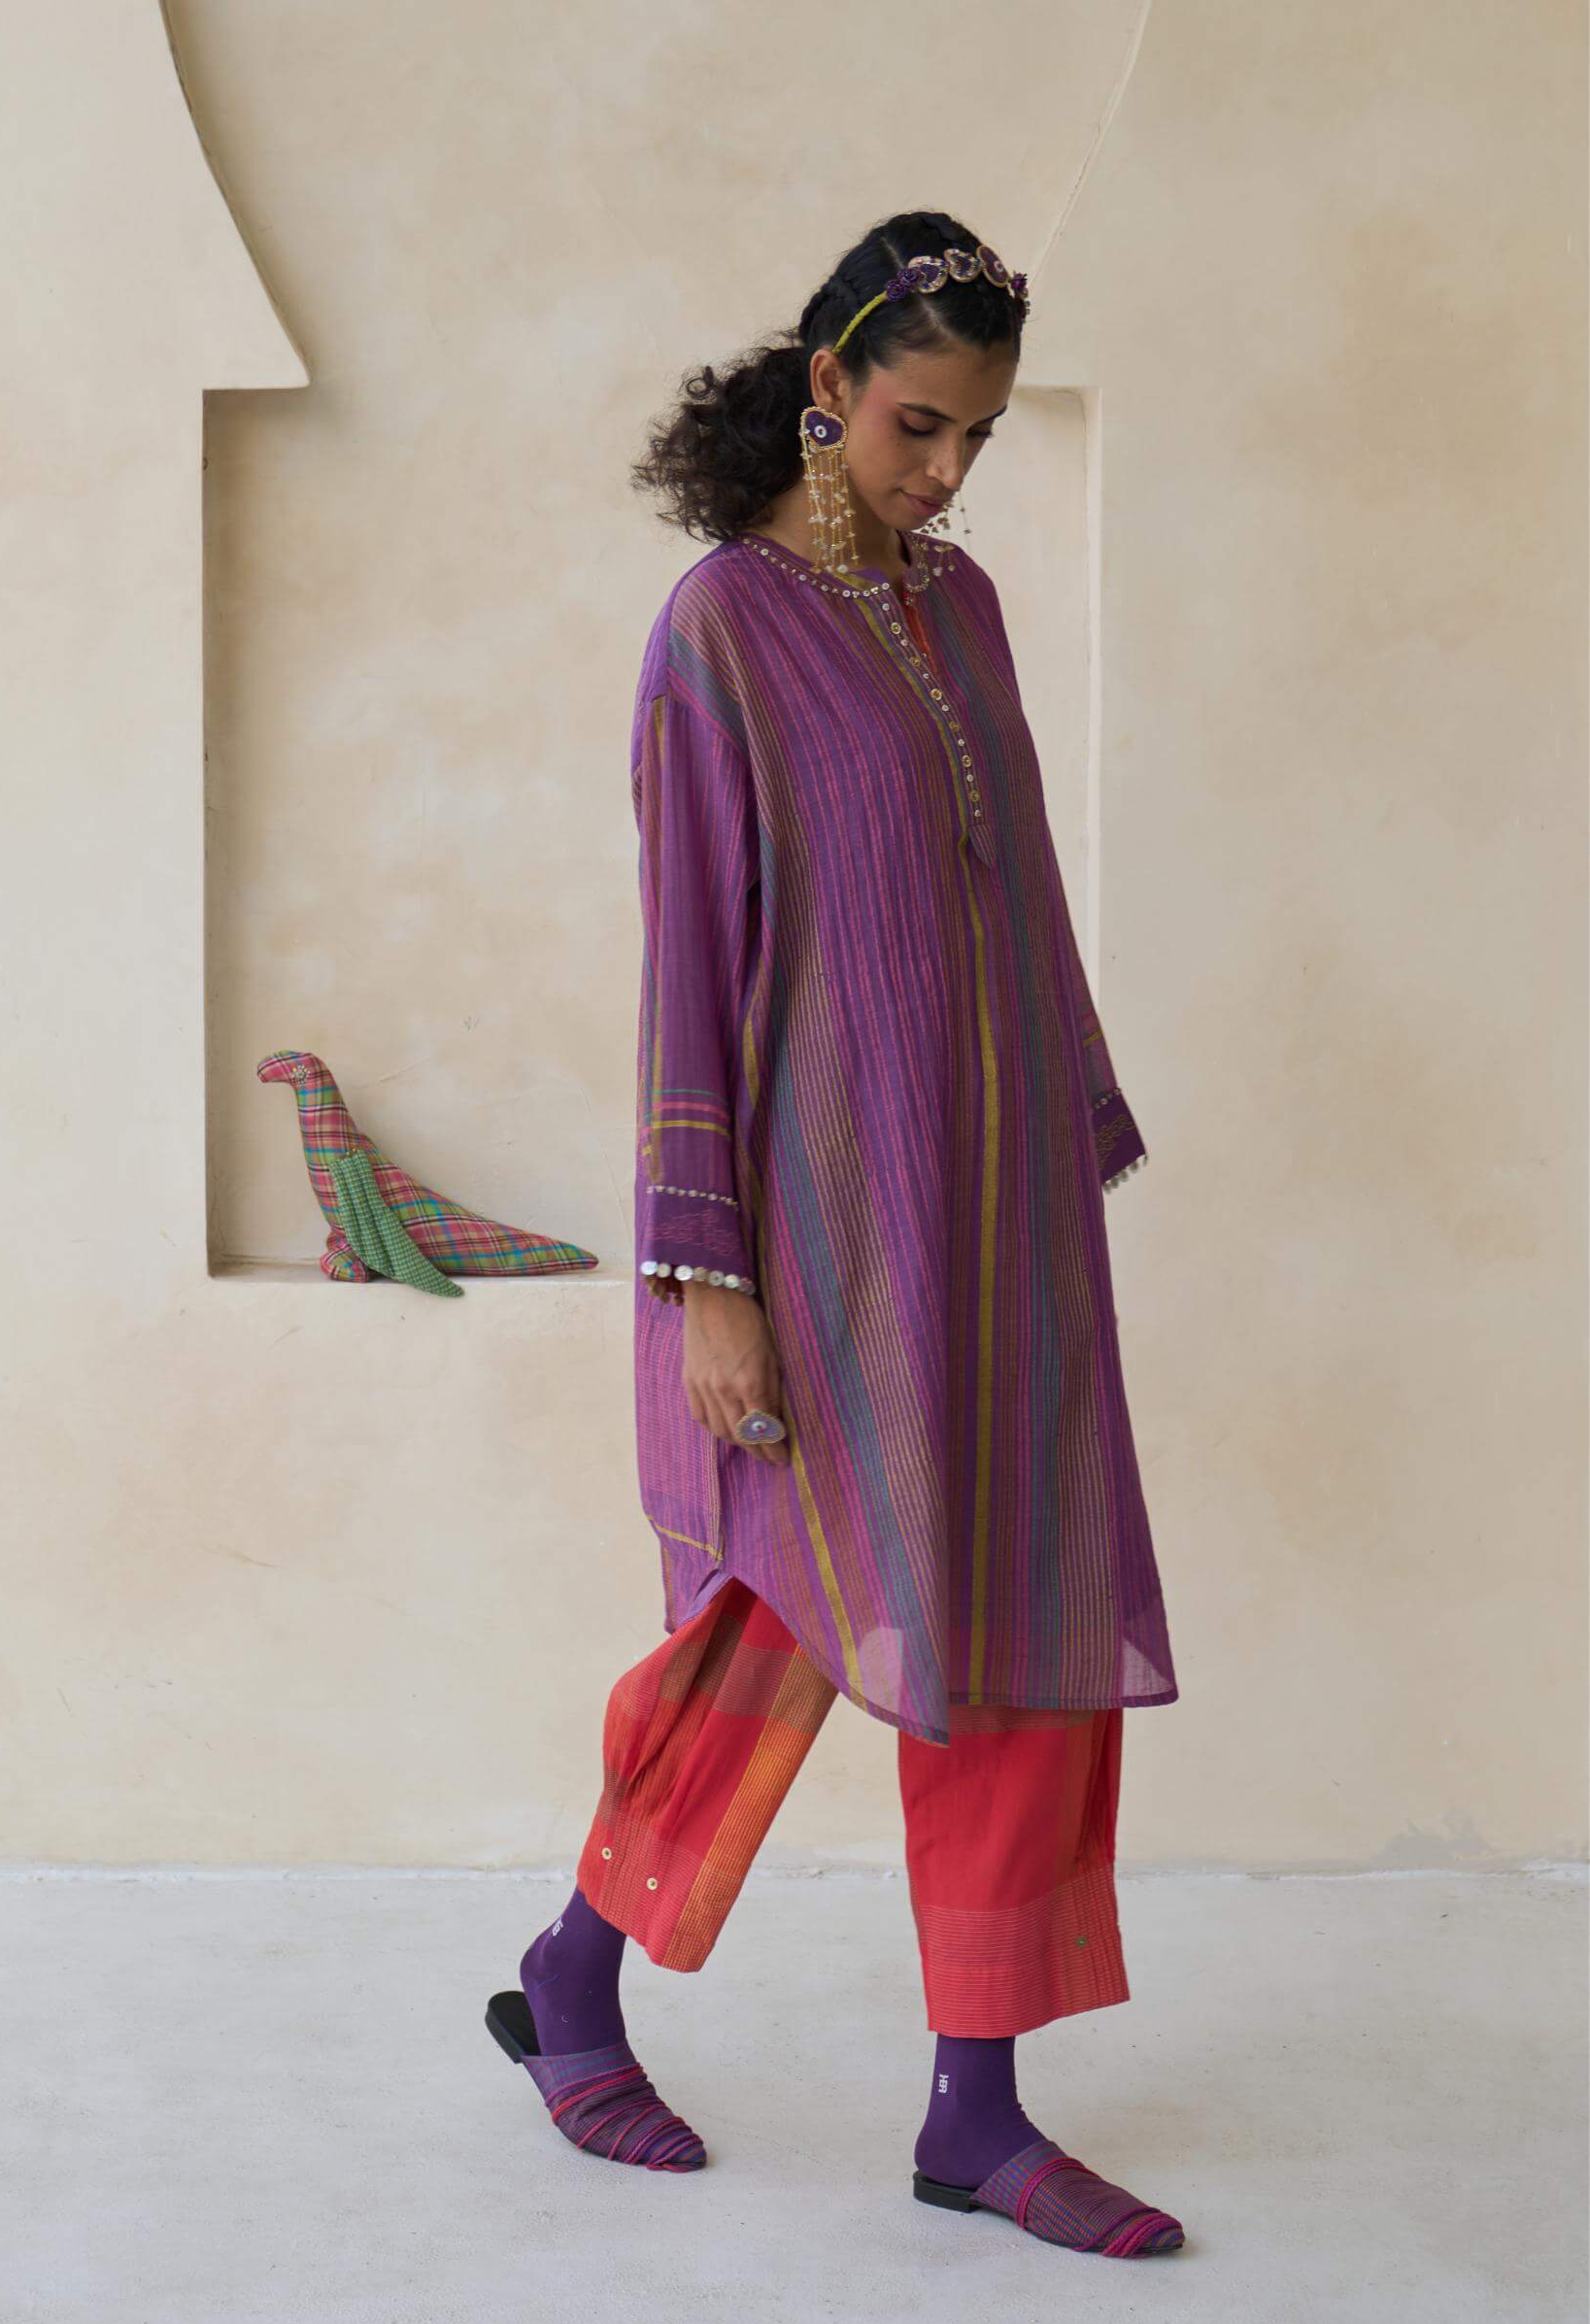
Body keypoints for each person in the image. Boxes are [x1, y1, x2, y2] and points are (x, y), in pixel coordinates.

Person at [485, 210, 1185, 2261]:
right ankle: (576, 1976)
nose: (945, 473)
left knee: (1023, 1609)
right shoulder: (719, 628)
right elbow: (688, 971)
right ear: (826, 386)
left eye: (975, 437)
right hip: (811, 1226)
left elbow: (1015, 893)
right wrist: (704, 1278)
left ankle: (979, 2108)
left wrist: (1060, 1141)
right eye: (913, 427)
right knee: (781, 1620)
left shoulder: (961, 611)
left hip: (1000, 1210)